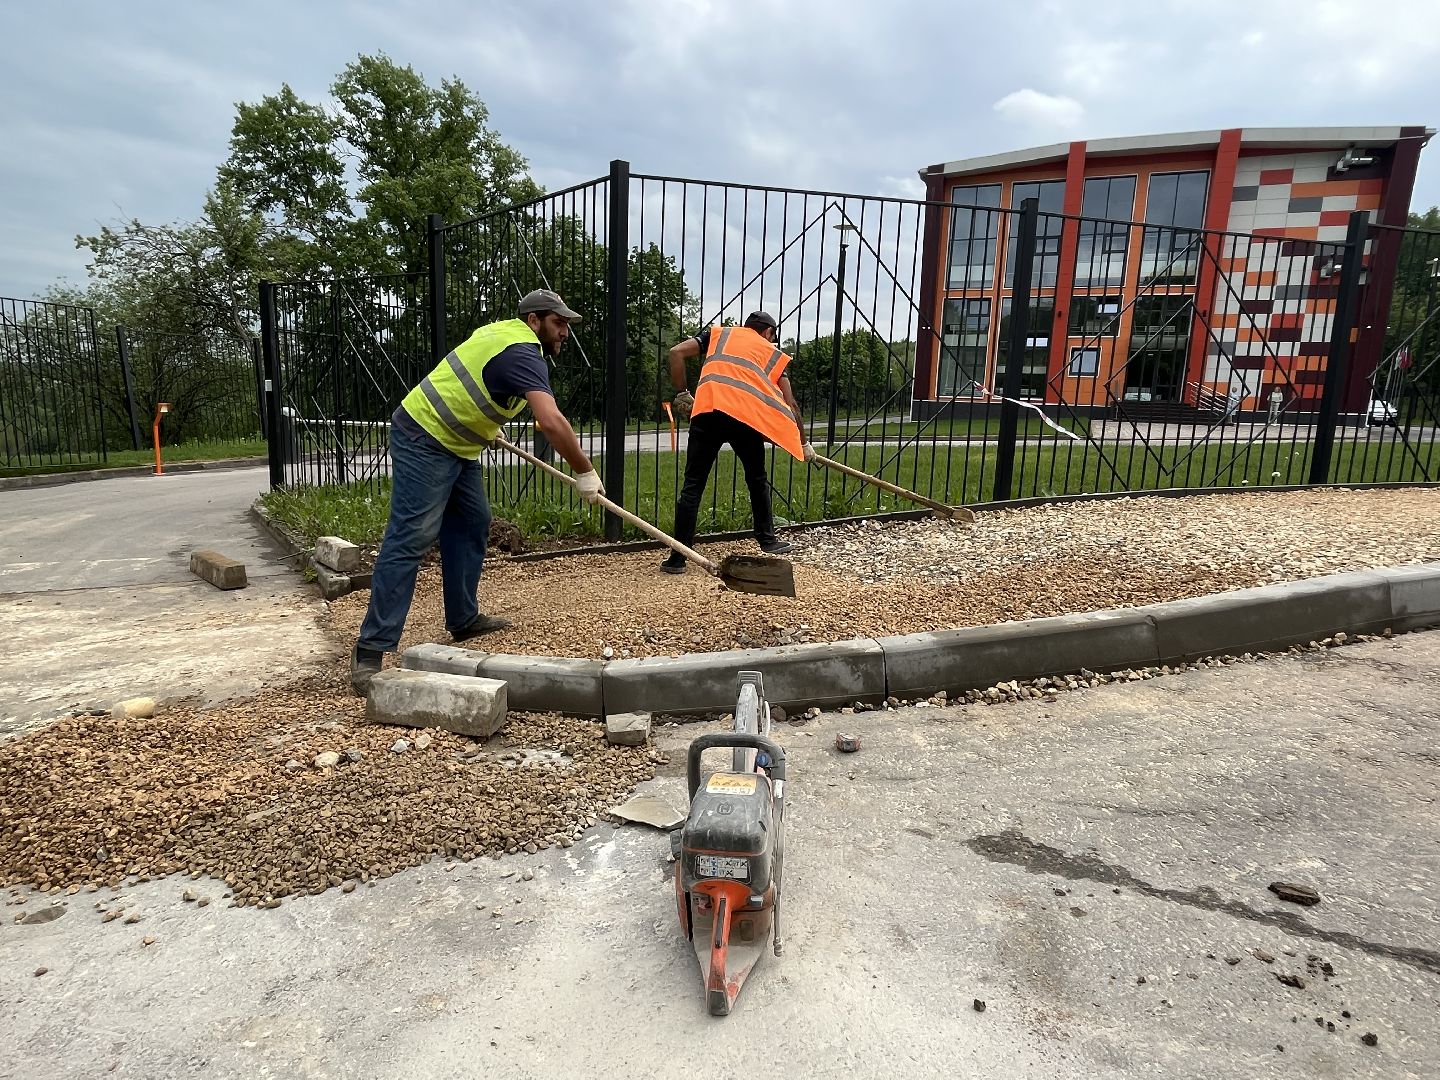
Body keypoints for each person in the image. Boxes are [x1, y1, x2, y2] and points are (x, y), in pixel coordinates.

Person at [350, 289, 604, 694]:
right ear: (534, 321)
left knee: (472, 522)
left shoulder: (504, 336)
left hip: (458, 444)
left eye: (567, 325)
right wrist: (585, 471)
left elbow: (479, 383)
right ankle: (370, 651)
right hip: (424, 436)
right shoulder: (523, 353)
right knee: (412, 535)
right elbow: (551, 422)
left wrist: (486, 422)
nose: (564, 333)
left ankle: (463, 619)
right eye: (558, 323)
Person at [662, 310, 812, 574]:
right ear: (768, 332)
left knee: (693, 485)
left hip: (707, 413)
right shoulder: (769, 350)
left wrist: (682, 393)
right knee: (756, 479)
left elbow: (676, 352)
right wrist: (803, 443)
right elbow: (791, 404)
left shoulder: (719, 335)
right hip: (744, 417)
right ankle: (768, 541)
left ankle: (678, 558)